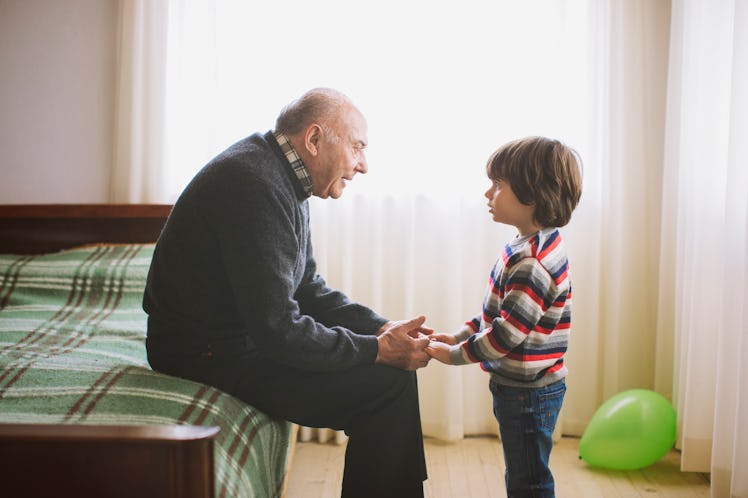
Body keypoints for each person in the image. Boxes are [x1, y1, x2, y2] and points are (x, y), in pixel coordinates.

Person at [143, 88, 432, 498]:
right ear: (314, 140)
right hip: (201, 352)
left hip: (232, 339)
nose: (363, 165)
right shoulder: (254, 185)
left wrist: (385, 328)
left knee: (392, 380)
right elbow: (278, 329)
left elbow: (308, 289)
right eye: (356, 147)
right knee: (388, 386)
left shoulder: (280, 175)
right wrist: (377, 349)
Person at [426, 136, 583, 498]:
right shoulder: (527, 245)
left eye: (498, 185)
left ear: (532, 196)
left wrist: (452, 355)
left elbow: (505, 334)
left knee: (528, 480)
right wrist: (458, 335)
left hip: (530, 394)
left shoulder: (532, 263)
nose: (488, 194)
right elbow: (496, 314)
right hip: (524, 387)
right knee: (522, 469)